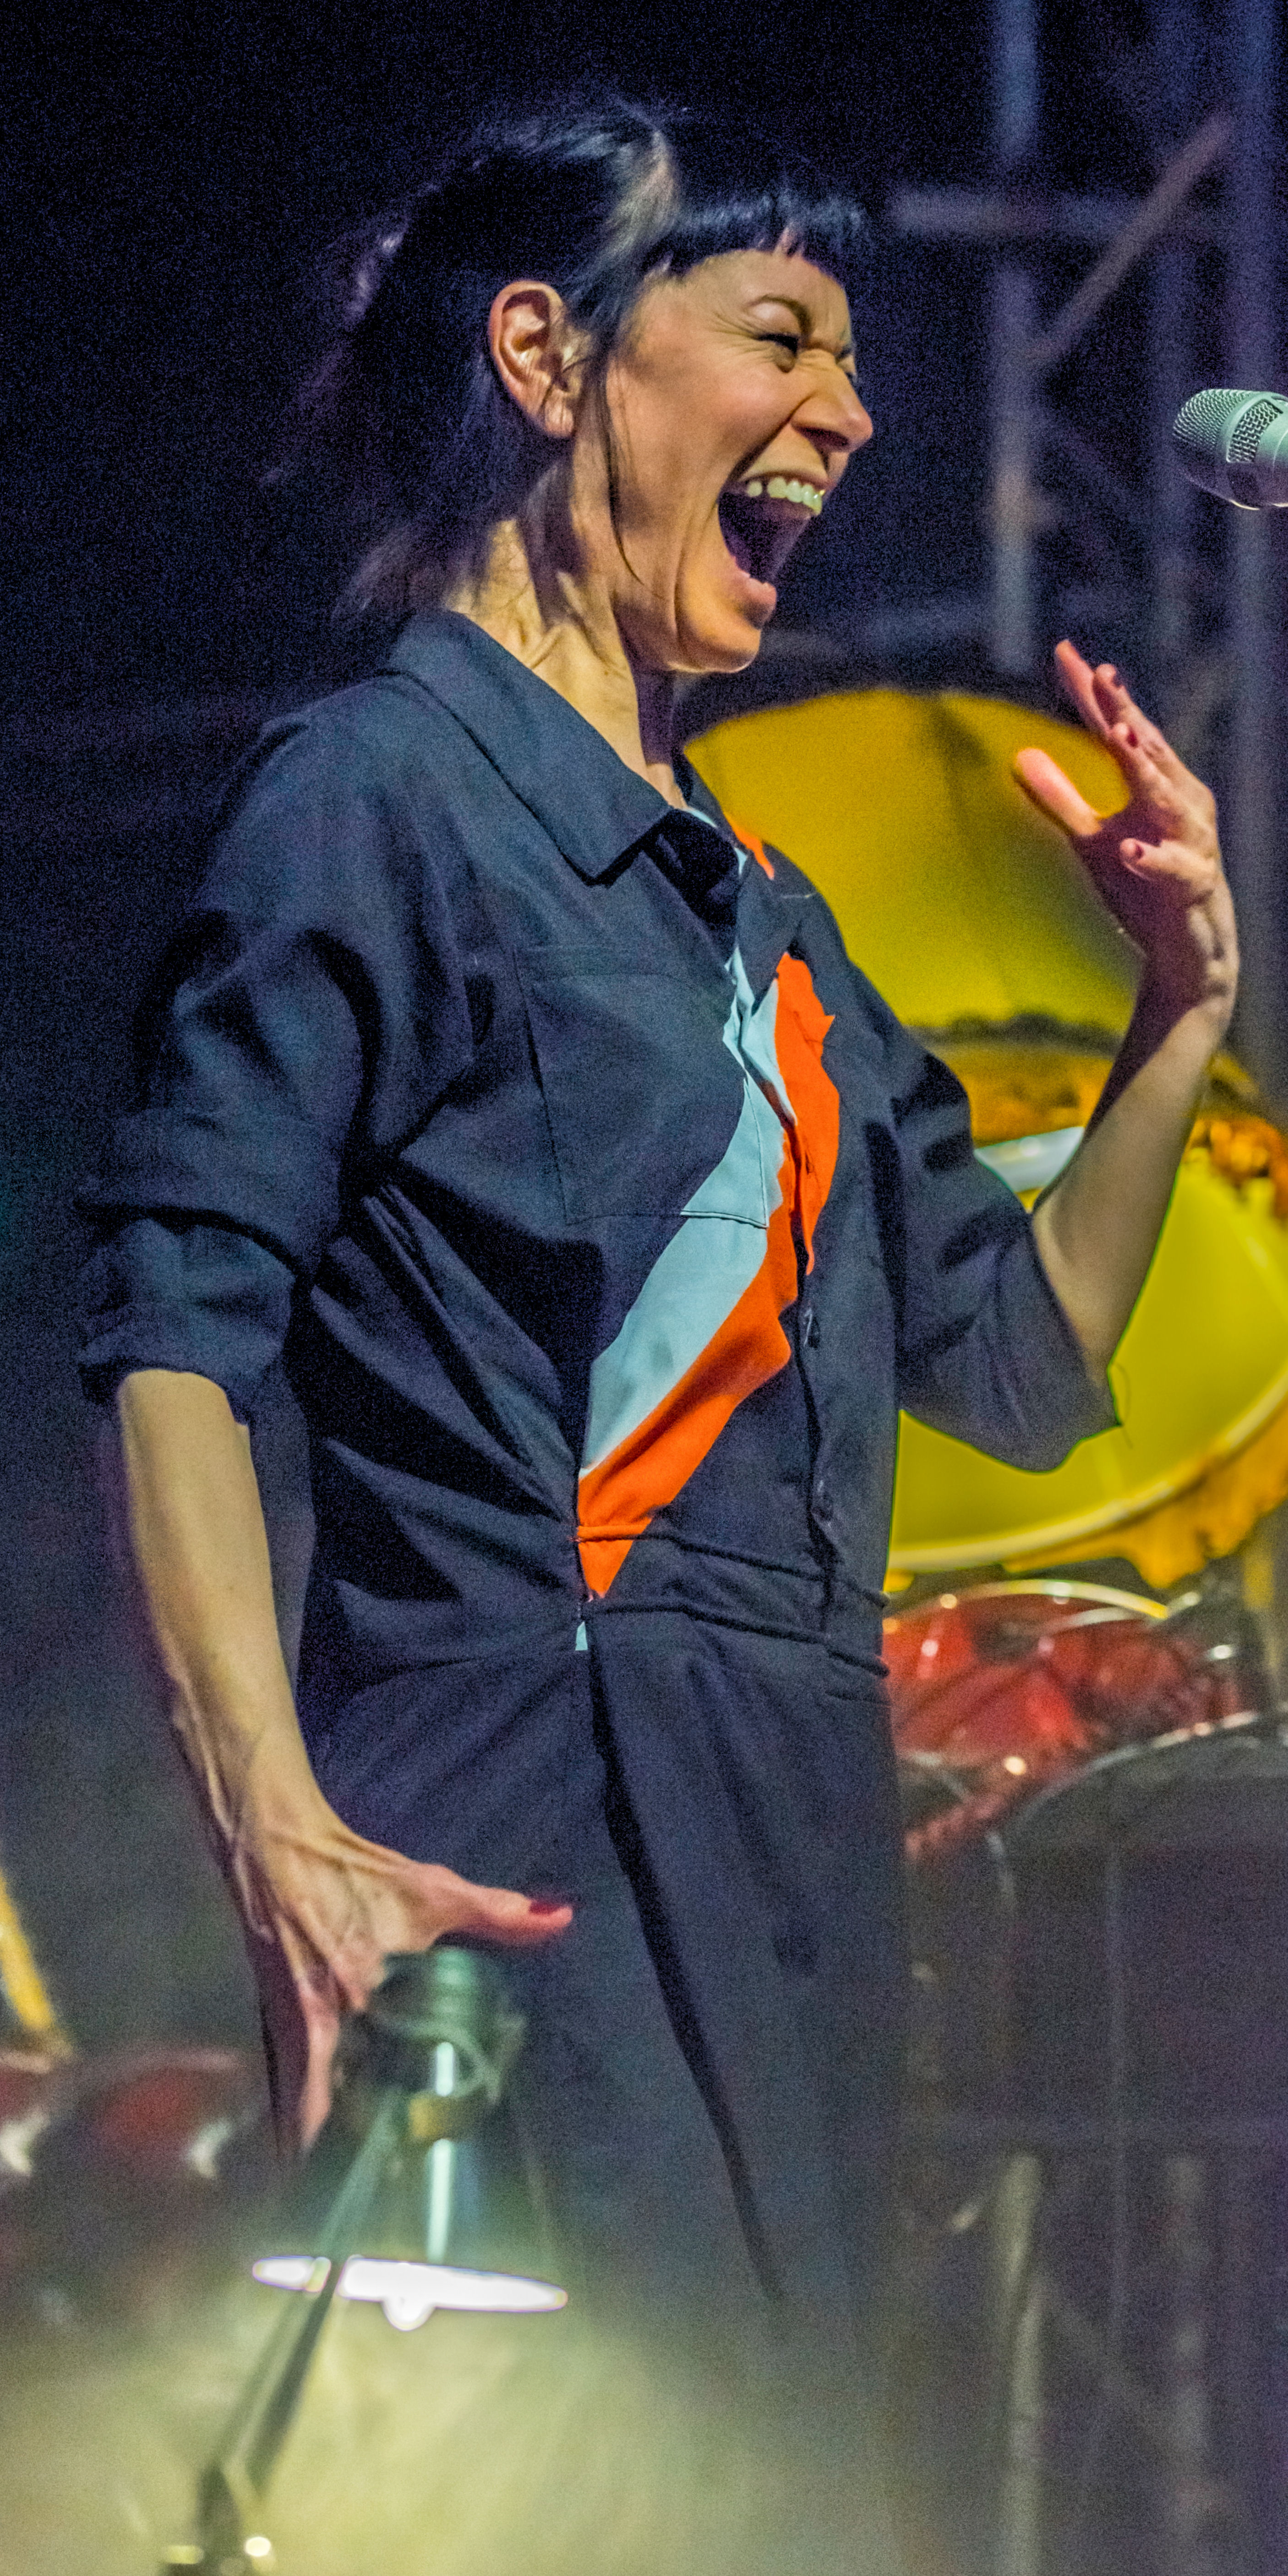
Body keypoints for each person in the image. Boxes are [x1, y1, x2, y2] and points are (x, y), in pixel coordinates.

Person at [78, 102, 1235, 2374]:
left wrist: (1178, 1010)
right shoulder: (378, 794)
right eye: (782, 336)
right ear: (546, 355)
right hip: (525, 1819)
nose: (849, 412)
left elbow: (1022, 1363)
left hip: (795, 1847)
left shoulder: (768, 923)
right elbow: (173, 1334)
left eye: (854, 362)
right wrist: (279, 1835)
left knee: (776, 2478)